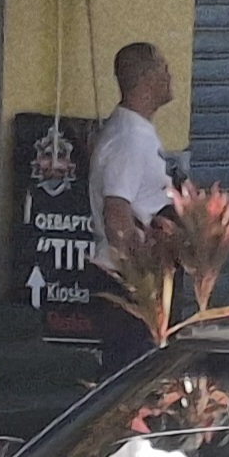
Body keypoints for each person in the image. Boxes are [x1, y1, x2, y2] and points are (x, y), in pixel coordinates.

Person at [87, 42, 178, 378]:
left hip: (135, 280)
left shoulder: (135, 132)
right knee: (132, 375)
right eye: (164, 69)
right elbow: (116, 210)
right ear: (146, 77)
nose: (170, 76)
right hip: (128, 283)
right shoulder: (130, 138)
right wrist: (138, 276)